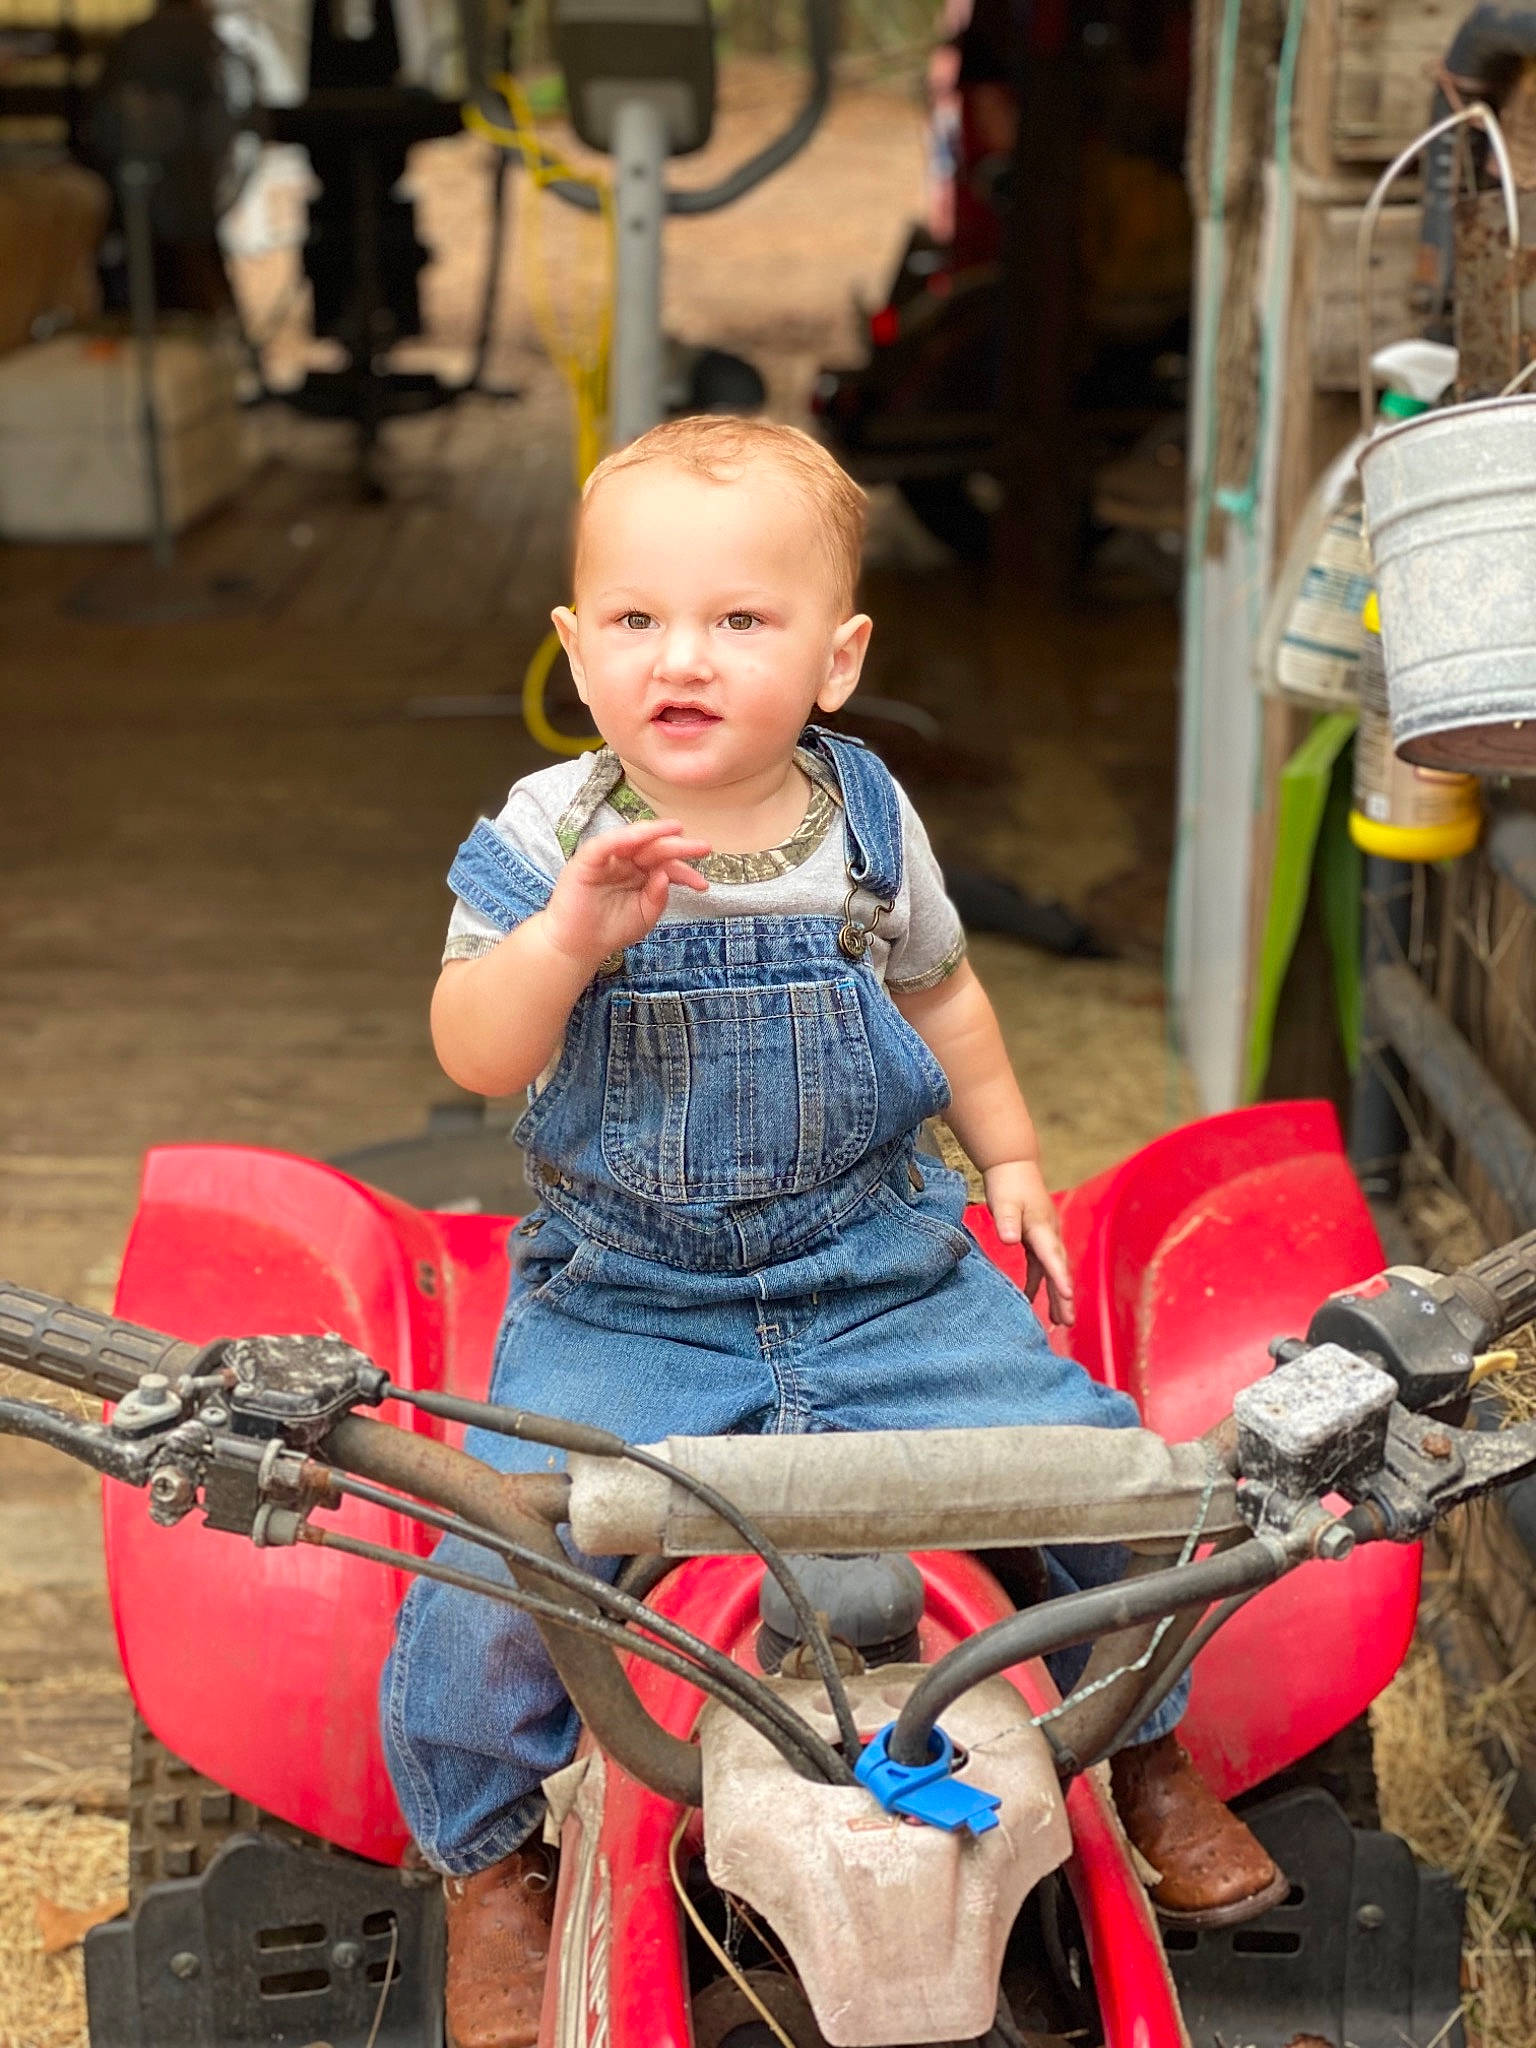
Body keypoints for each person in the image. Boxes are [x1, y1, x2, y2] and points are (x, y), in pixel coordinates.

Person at [383, 416, 1285, 2048]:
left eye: (743, 620)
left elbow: (943, 988)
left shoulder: (865, 820)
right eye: (640, 620)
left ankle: (1142, 1748)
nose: (687, 657)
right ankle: (492, 1867)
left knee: (1122, 1478)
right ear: (579, 654)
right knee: (493, 1565)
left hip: (881, 1270)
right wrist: (572, 937)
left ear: (838, 657)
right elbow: (476, 1051)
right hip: (632, 1297)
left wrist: (1008, 1152)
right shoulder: (541, 831)